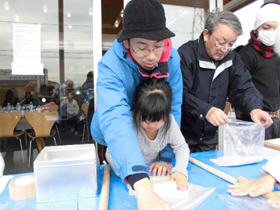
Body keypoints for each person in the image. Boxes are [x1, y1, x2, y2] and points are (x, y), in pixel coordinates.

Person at [90, 0, 182, 209]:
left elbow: (173, 109)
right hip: (114, 131)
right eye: (142, 47)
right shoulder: (110, 66)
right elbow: (115, 119)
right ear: (127, 42)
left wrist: (167, 157)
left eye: (157, 46)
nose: (151, 56)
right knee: (118, 182)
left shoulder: (172, 58)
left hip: (150, 128)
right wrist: (141, 184)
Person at [177, 10, 273, 153]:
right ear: (206, 34)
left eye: (231, 44)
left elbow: (244, 87)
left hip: (209, 136)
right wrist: (206, 110)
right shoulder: (186, 54)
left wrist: (255, 109)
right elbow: (180, 93)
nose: (224, 49)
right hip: (181, 135)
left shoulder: (232, 59)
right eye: (221, 42)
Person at [106, 78, 190, 190]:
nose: (151, 125)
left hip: (154, 174)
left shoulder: (170, 123)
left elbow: (181, 147)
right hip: (130, 173)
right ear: (137, 108)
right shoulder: (127, 122)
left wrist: (180, 170)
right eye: (145, 119)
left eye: (158, 120)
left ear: (167, 112)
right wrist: (127, 174)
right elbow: (110, 152)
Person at [235, 3, 280, 140]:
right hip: (254, 121)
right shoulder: (247, 54)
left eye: (275, 28)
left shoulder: (276, 54)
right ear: (257, 28)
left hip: (275, 120)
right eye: (266, 27)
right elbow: (239, 88)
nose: (271, 32)